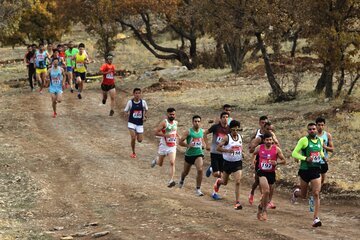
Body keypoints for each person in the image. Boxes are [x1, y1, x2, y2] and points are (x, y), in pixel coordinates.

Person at [291, 122, 326, 227]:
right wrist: (305, 158)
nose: (312, 130)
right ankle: (296, 193)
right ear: (307, 131)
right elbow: (294, 153)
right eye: (310, 129)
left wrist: (324, 157)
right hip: (305, 170)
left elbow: (320, 151)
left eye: (313, 129)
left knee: (316, 193)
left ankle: (316, 218)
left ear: (316, 130)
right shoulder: (304, 140)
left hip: (316, 170)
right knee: (304, 196)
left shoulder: (320, 140)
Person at [252, 133, 286, 221]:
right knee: (266, 191)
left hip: (271, 173)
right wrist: (254, 161)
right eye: (267, 140)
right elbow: (253, 153)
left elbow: (284, 160)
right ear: (264, 140)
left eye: (270, 140)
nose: (269, 141)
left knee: (269, 194)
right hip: (261, 172)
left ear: (272, 140)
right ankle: (264, 211)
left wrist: (277, 163)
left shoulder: (276, 149)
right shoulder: (260, 148)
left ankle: (260, 206)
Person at [214, 120, 244, 210]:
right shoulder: (227, 138)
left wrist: (242, 153)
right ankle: (219, 182)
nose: (235, 131)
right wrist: (227, 150)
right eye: (234, 130)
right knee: (225, 182)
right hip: (227, 163)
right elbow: (218, 148)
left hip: (237, 162)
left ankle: (237, 202)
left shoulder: (240, 137)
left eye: (237, 129)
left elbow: (239, 147)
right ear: (230, 129)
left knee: (238, 181)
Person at [248, 121, 279, 207]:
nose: (269, 130)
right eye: (267, 129)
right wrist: (253, 157)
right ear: (263, 129)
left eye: (271, 129)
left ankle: (267, 199)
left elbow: (278, 149)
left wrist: (275, 141)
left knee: (270, 183)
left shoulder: (272, 137)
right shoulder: (259, 138)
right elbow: (251, 149)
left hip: (270, 162)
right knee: (257, 181)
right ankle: (252, 192)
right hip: (259, 161)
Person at [203, 112, 230, 200]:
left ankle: (215, 193)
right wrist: (207, 144)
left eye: (227, 117)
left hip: (223, 154)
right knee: (216, 174)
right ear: (220, 118)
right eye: (223, 117)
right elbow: (205, 133)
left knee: (220, 176)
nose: (225, 118)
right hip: (214, 152)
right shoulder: (216, 127)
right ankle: (211, 169)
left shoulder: (230, 129)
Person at [178, 115, 205, 196]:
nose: (197, 123)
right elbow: (180, 142)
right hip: (189, 155)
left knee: (200, 170)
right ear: (192, 122)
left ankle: (198, 189)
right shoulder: (188, 132)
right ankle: (182, 180)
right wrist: (188, 145)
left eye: (198, 121)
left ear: (200, 122)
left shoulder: (202, 131)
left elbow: (203, 141)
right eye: (195, 121)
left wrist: (203, 145)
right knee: (185, 172)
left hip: (198, 154)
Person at [151, 108, 178, 188]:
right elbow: (156, 132)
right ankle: (156, 160)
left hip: (172, 146)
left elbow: (175, 131)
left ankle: (171, 180)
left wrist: (178, 137)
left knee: (172, 162)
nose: (172, 116)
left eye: (173, 114)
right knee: (160, 164)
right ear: (167, 114)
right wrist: (165, 135)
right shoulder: (164, 123)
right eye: (170, 114)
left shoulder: (176, 122)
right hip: (163, 145)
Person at [124, 88, 148, 158]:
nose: (137, 95)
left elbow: (146, 109)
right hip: (131, 123)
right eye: (136, 93)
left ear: (140, 94)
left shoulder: (143, 102)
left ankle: (137, 132)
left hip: (139, 124)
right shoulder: (130, 102)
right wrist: (126, 114)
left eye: (139, 93)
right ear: (133, 94)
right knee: (133, 137)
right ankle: (133, 152)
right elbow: (125, 110)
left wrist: (145, 116)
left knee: (140, 140)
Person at [316, 117, 334, 187]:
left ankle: (317, 191)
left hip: (323, 160)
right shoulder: (312, 135)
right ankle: (314, 193)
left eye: (322, 125)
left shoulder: (327, 135)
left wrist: (324, 146)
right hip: (314, 160)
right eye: (319, 125)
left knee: (322, 179)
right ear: (316, 125)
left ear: (324, 125)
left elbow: (332, 149)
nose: (320, 127)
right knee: (315, 179)